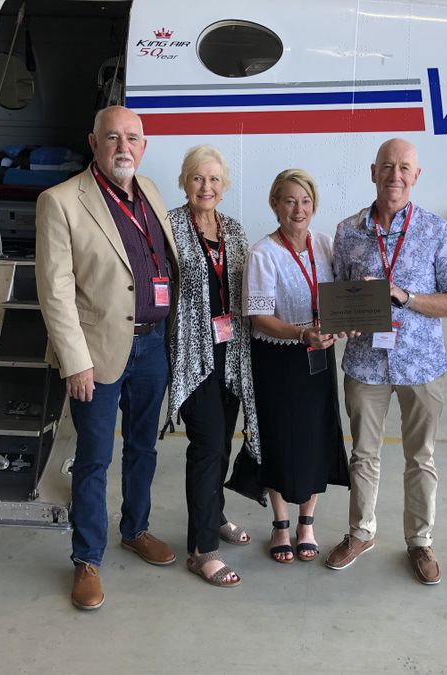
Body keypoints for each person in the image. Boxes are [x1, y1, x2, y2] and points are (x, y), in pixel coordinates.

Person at [36, 105, 179, 611]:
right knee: (94, 460)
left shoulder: (153, 193)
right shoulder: (61, 201)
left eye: (133, 138)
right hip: (95, 354)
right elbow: (54, 292)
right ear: (93, 142)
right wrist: (75, 360)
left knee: (144, 447)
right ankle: (87, 558)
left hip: (152, 344)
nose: (124, 147)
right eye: (113, 137)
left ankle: (136, 529)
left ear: (144, 145)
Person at [326, 139, 447, 585]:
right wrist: (342, 320)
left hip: (421, 365)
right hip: (365, 364)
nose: (395, 175)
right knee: (363, 454)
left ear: (417, 176)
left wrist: (404, 296)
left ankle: (420, 541)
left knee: (420, 457)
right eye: (387, 166)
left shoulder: (434, 230)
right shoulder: (348, 231)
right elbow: (337, 298)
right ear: (373, 172)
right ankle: (360, 532)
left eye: (405, 167)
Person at [243, 169, 349, 565]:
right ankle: (281, 524)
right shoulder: (263, 253)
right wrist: (302, 333)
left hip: (318, 353)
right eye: (289, 201)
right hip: (279, 357)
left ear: (314, 205)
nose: (298, 209)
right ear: (275, 204)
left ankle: (308, 522)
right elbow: (258, 317)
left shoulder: (325, 245)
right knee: (281, 437)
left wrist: (347, 321)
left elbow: (342, 297)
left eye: (305, 201)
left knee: (317, 435)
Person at [165, 145, 260, 588]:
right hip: (191, 354)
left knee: (222, 442)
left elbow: (250, 289)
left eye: (214, 180)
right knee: (206, 447)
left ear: (225, 187)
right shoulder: (169, 226)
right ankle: (202, 549)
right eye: (198, 178)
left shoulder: (236, 231)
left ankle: (215, 513)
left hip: (231, 352)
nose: (207, 187)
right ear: (185, 182)